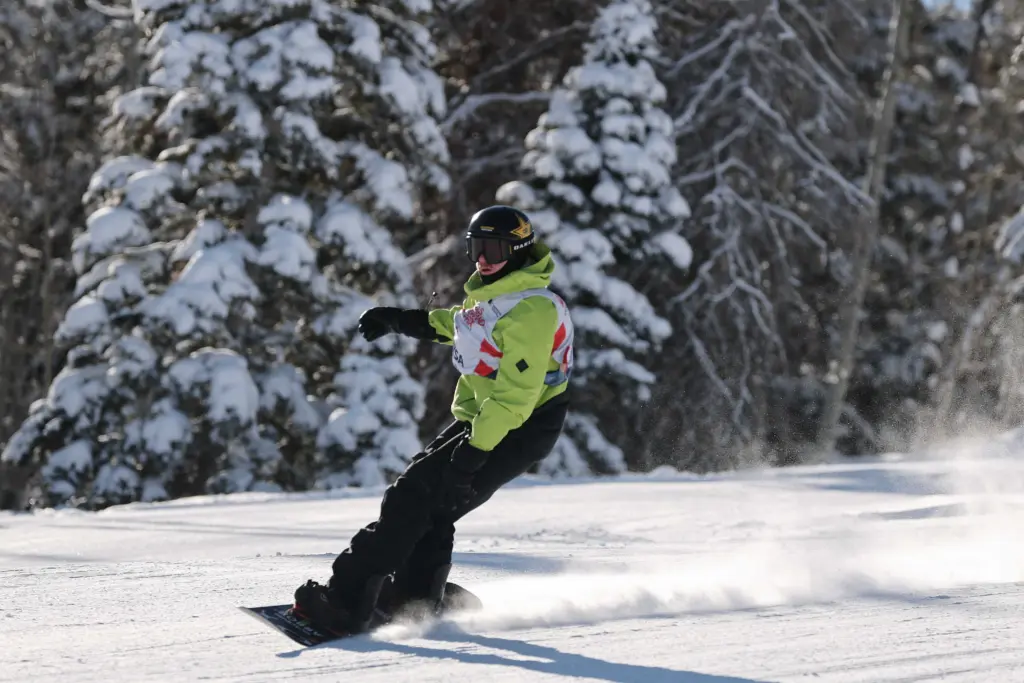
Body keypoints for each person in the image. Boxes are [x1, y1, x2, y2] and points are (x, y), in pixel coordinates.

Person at [292, 205, 574, 634]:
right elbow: (458, 326)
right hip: (486, 420)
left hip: (516, 426)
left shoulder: (532, 311)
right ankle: (417, 599)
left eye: (494, 249)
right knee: (435, 506)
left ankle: (346, 602)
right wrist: (398, 320)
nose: (482, 259)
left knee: (410, 500)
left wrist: (471, 456)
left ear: (518, 251)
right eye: (476, 248)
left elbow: (515, 400)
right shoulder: (499, 297)